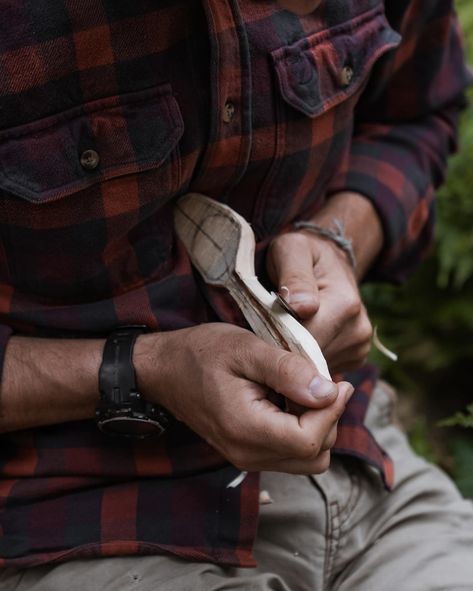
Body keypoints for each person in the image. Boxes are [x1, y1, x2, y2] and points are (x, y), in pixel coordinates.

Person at [0, 0, 472, 589]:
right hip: (75, 514)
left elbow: (414, 115)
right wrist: (145, 369)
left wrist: (339, 236)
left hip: (356, 466)